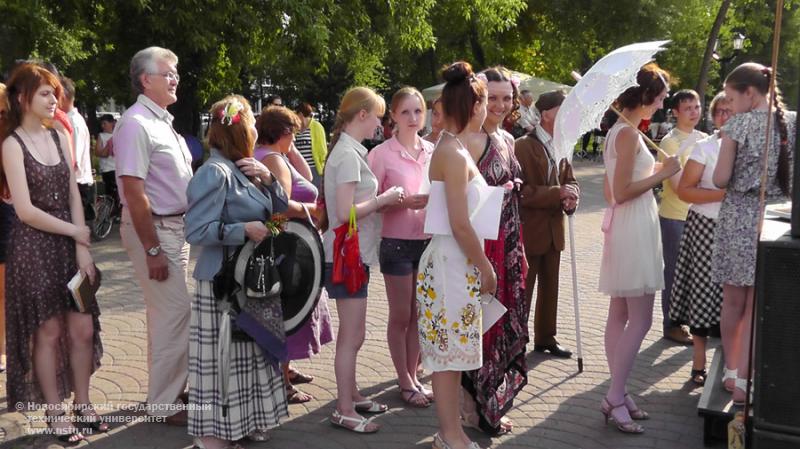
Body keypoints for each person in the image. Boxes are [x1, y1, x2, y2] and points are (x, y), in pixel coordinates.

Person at [1, 63, 106, 444]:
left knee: (82, 327)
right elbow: (25, 210)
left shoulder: (60, 134)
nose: (53, 99)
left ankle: (83, 404)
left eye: (55, 92)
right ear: (22, 97)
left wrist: (82, 247)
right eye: (45, 92)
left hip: (68, 244)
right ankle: (54, 413)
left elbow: (75, 193)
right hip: (33, 247)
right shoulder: (11, 144)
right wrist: (74, 231)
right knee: (46, 332)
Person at [184, 95, 289, 449]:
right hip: (222, 284)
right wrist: (240, 230)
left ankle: (240, 424)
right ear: (241, 130)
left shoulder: (243, 168)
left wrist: (270, 179)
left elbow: (278, 216)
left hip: (249, 280)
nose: (258, 129)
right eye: (253, 123)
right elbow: (195, 231)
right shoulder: (214, 172)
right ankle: (211, 435)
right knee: (220, 363)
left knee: (245, 357)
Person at [416, 61, 497, 449]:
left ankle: (451, 432)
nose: (490, 111)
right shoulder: (452, 151)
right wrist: (485, 267)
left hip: (455, 260)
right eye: (484, 103)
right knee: (447, 355)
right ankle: (449, 435)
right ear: (473, 106)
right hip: (451, 260)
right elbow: (459, 223)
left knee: (453, 352)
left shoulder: (455, 148)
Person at [113, 46, 194, 425]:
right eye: (168, 72)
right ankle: (164, 404)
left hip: (173, 228)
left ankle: (167, 394)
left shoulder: (161, 120)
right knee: (176, 314)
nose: (176, 78)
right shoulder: (135, 123)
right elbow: (133, 191)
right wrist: (153, 248)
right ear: (146, 79)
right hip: (157, 230)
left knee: (166, 317)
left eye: (176, 72)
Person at [598, 63, 679, 434]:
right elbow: (622, 192)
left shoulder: (622, 132)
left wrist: (653, 171)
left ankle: (619, 390)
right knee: (642, 318)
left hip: (628, 226)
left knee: (620, 313)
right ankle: (614, 396)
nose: (662, 104)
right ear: (645, 95)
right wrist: (662, 174)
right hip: (632, 225)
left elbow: (611, 190)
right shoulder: (627, 135)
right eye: (660, 97)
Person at [712, 62, 796, 405]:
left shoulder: (738, 125)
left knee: (734, 301)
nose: (728, 105)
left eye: (731, 97)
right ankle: (750, 376)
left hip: (738, 215)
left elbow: (720, 178)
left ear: (750, 92)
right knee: (759, 303)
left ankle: (733, 372)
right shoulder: (791, 122)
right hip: (777, 217)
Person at [322, 87, 403, 433]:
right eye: (379, 116)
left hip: (353, 255)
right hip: (347, 256)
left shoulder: (348, 151)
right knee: (351, 335)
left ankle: (351, 395)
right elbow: (344, 213)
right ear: (362, 115)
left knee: (354, 334)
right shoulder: (347, 156)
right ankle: (343, 408)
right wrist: (383, 199)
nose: (380, 125)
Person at [458, 67, 528, 435]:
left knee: (500, 323)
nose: (501, 105)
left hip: (510, 243)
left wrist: (521, 249)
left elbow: (514, 199)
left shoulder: (508, 138)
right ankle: (471, 406)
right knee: (478, 325)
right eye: (494, 97)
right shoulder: (466, 140)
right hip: (481, 246)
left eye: (507, 98)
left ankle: (489, 400)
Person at [255, 106, 334, 404]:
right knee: (289, 311)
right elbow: (280, 206)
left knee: (284, 310)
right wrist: (313, 210)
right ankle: (281, 382)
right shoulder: (274, 159)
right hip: (290, 246)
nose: (296, 139)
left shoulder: (263, 154)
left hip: (285, 243)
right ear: (285, 133)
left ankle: (284, 372)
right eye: (294, 133)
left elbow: (304, 176)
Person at [367, 87, 434, 408]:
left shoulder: (433, 150)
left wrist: (432, 201)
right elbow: (368, 204)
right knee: (401, 314)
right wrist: (398, 202)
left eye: (418, 111)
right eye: (405, 112)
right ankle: (404, 379)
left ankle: (413, 374)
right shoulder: (381, 154)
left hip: (429, 242)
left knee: (421, 315)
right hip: (396, 244)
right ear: (392, 116)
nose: (412, 118)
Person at [669, 92, 733, 386]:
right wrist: (724, 195)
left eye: (729, 110)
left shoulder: (751, 147)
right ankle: (699, 361)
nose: (724, 116)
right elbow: (685, 191)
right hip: (705, 226)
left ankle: (732, 365)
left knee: (733, 298)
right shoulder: (705, 146)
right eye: (719, 111)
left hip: (737, 230)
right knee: (703, 294)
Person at [515, 89, 580, 359]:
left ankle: (546, 338)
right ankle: (517, 340)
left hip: (555, 230)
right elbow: (521, 191)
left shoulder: (563, 144)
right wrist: (558, 193)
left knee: (551, 287)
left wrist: (572, 196)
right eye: (561, 111)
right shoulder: (523, 145)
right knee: (524, 289)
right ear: (545, 115)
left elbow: (570, 180)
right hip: (530, 230)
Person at [657, 89, 708, 345]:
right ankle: (672, 324)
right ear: (675, 111)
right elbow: (678, 187)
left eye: (697, 107)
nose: (693, 112)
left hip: (700, 216)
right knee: (675, 274)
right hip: (674, 216)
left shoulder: (705, 139)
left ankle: (692, 321)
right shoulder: (669, 142)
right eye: (687, 108)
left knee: (696, 273)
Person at [61, 77, 95, 222]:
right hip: (76, 183)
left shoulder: (73, 123)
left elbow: (73, 160)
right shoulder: (72, 120)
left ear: (62, 97)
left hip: (77, 184)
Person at [295, 103, 328, 189]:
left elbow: (322, 150)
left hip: (314, 169)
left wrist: (323, 169)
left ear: (301, 115)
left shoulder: (316, 126)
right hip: (299, 169)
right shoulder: (296, 129)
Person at [95, 114, 119, 215]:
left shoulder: (118, 135)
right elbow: (99, 153)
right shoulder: (102, 136)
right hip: (107, 169)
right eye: (102, 124)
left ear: (112, 123)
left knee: (117, 192)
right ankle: (111, 212)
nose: (103, 126)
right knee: (109, 193)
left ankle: (117, 212)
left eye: (105, 123)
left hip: (116, 168)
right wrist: (109, 145)